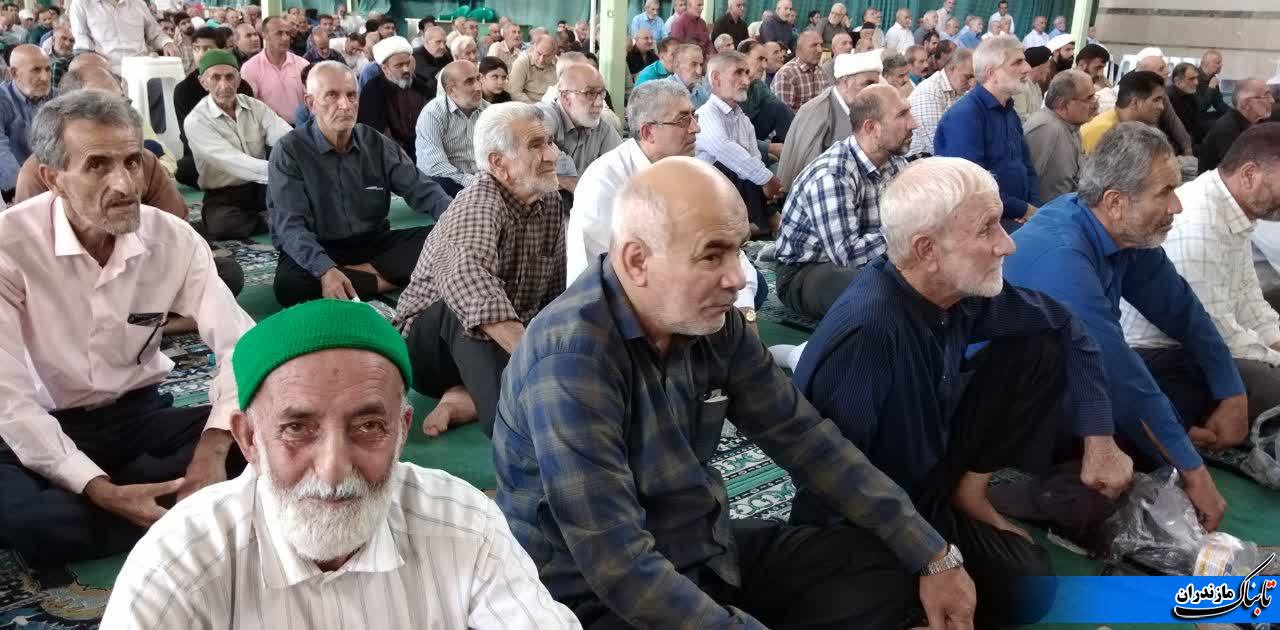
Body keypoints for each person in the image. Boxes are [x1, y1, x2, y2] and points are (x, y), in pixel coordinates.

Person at [496, 154, 979, 629]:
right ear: (637, 261)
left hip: (697, 547)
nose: (740, 277)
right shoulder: (570, 360)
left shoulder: (711, 321)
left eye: (739, 250)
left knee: (881, 562)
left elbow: (807, 440)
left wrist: (932, 553)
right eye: (712, 255)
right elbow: (618, 564)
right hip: (596, 599)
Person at [791, 156, 1132, 626]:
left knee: (1041, 345)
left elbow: (1065, 325)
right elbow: (834, 486)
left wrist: (1100, 437)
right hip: (873, 515)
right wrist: (929, 557)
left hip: (929, 476)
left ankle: (969, 493)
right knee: (1021, 590)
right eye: (987, 229)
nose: (1007, 244)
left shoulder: (956, 293)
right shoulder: (867, 336)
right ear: (927, 249)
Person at [101, 299, 580, 628]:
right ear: (249, 440)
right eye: (297, 428)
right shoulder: (180, 563)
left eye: (368, 426)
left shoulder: (464, 524)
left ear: (402, 431)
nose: (333, 469)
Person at [0, 90, 254, 563]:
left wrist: (213, 449)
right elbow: (9, 403)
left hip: (136, 416)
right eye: (97, 165)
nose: (124, 184)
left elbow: (242, 346)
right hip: (40, 422)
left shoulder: (172, 239)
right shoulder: (10, 246)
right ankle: (160, 502)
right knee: (34, 519)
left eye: (132, 162)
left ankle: (144, 497)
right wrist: (101, 490)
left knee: (264, 441)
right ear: (53, 179)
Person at [1004, 122, 1238, 533]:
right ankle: (1051, 486)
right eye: (1165, 192)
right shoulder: (1063, 255)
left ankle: (1144, 447)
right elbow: (1120, 378)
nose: (1177, 206)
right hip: (1016, 405)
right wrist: (1193, 472)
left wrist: (1231, 391)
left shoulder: (1125, 232)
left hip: (1082, 379)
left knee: (1193, 367)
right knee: (1127, 414)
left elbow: (1182, 310)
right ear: (1115, 202)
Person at [396, 102, 565, 438]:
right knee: (461, 307)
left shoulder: (549, 201)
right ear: (498, 163)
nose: (552, 155)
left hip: (499, 344)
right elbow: (467, 280)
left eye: (549, 142)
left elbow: (554, 299)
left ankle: (467, 398)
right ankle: (512, 422)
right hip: (430, 352)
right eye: (536, 145)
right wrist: (536, 359)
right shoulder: (479, 201)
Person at [1124, 123, 1280, 427]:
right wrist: (1273, 358)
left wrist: (1275, 342)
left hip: (1198, 342)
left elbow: (1249, 302)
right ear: (1250, 174)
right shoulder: (1200, 224)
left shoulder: (1232, 208)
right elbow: (1217, 336)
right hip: (1155, 353)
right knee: (1267, 383)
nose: (1174, 205)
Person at [568, 80, 763, 322]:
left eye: (694, 117)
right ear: (648, 132)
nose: (696, 128)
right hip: (627, 307)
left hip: (685, 280)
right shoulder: (604, 181)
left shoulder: (689, 170)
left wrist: (746, 313)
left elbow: (729, 248)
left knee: (751, 284)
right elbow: (602, 277)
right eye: (683, 120)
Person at [268, 62, 451, 308]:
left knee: (446, 238)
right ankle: (389, 277)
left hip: (373, 243)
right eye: (332, 95)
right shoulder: (289, 150)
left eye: (351, 95)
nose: (345, 105)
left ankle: (358, 280)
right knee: (290, 285)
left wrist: (459, 221)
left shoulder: (375, 142)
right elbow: (289, 226)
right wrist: (324, 269)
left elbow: (423, 189)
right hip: (320, 245)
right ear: (311, 103)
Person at [775, 85, 917, 321]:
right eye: (902, 115)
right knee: (879, 292)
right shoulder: (832, 175)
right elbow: (848, 256)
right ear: (871, 128)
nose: (914, 123)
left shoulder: (895, 163)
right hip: (808, 271)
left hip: (871, 260)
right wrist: (909, 233)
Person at [184, 50, 291, 241]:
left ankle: (274, 216)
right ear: (203, 82)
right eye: (215, 78)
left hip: (262, 186)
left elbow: (287, 138)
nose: (224, 85)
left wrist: (303, 158)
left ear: (239, 79)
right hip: (225, 194)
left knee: (303, 194)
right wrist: (282, 171)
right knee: (221, 224)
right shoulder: (196, 120)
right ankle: (270, 219)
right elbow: (233, 162)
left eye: (229, 77)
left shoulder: (255, 106)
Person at [935, 36, 1039, 227]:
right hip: (983, 224)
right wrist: (1023, 209)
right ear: (991, 73)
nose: (1027, 68)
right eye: (1017, 62)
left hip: (1018, 217)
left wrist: (1031, 207)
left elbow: (1027, 167)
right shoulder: (965, 115)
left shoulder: (1009, 112)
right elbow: (972, 186)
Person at [696, 51, 784, 236]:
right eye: (738, 73)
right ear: (716, 78)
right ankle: (762, 225)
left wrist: (765, 182)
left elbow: (755, 157)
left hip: (739, 194)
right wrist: (766, 180)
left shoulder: (742, 119)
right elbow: (723, 148)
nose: (746, 80)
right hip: (710, 195)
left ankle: (766, 222)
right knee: (732, 165)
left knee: (755, 169)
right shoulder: (706, 114)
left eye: (746, 73)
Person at [777, 50, 882, 190]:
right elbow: (808, 174)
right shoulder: (816, 112)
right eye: (867, 83)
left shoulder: (862, 107)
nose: (873, 90)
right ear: (845, 82)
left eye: (876, 84)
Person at [173, 26, 254, 189]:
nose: (201, 54)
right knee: (184, 168)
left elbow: (250, 126)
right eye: (196, 48)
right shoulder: (183, 90)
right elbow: (189, 135)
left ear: (222, 50)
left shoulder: (241, 85)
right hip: (206, 153)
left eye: (207, 48)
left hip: (241, 149)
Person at [538, 63, 622, 194]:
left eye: (601, 93)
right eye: (590, 93)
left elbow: (623, 167)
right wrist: (573, 183)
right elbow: (534, 146)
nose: (599, 103)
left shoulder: (600, 126)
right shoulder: (546, 115)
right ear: (565, 97)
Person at [416, 60, 488, 197]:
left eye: (478, 79)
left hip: (482, 182)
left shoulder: (489, 111)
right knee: (439, 183)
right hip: (448, 182)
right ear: (451, 90)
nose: (478, 87)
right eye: (469, 82)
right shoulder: (433, 113)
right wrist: (473, 182)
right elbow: (434, 165)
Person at [1025, 69, 1095, 203]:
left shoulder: (1070, 125)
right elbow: (1042, 193)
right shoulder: (1048, 129)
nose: (1094, 104)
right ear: (1062, 104)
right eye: (1088, 98)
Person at [358, 36, 432, 159]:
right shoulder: (373, 90)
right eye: (399, 65)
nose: (406, 69)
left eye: (407, 63)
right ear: (384, 68)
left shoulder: (420, 86)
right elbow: (374, 134)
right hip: (391, 155)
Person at [0, 45, 54, 195]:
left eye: (48, 69)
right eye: (36, 70)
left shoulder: (56, 97)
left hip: (52, 180)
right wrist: (20, 189)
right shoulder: (3, 101)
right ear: (14, 73)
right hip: (15, 185)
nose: (45, 77)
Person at [69, 0, 177, 72]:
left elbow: (155, 34)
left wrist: (167, 43)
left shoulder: (138, 3)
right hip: (105, 73)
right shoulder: (81, 4)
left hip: (141, 69)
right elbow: (83, 45)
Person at [908, 47, 974, 155]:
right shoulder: (929, 91)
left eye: (974, 77)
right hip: (922, 159)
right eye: (968, 77)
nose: (971, 83)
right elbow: (936, 145)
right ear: (952, 69)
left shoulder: (958, 89)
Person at [1198, 79, 1274, 174]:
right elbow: (1239, 171)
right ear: (1246, 104)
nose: (1272, 100)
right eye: (1266, 96)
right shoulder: (1227, 129)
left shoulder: (1258, 121)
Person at [240, 17, 306, 124]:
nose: (285, 38)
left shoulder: (302, 64)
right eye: (279, 33)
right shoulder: (250, 68)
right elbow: (249, 106)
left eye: (287, 33)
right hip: (268, 128)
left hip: (301, 127)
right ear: (264, 35)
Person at [1081, 70, 1165, 153]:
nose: (1161, 107)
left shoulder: (1131, 127)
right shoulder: (1103, 131)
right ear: (1135, 103)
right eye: (1156, 100)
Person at [735, 39, 793, 157]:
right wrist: (769, 148)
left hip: (751, 139)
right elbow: (731, 137)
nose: (764, 66)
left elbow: (781, 110)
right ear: (742, 58)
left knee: (777, 107)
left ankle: (797, 148)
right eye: (760, 59)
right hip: (730, 150)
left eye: (766, 60)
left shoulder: (757, 85)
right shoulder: (728, 87)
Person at [770, 30, 830, 112]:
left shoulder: (821, 72)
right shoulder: (787, 75)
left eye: (821, 45)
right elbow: (783, 115)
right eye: (814, 45)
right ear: (799, 50)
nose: (820, 50)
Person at [509, 34, 557, 104]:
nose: (541, 60)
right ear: (534, 47)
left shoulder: (556, 64)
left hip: (552, 105)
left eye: (547, 56)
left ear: (553, 55)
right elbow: (514, 93)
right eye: (539, 53)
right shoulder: (523, 62)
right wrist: (536, 108)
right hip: (528, 106)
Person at [1011, 45, 1051, 123]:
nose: (1048, 71)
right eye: (1047, 67)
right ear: (1038, 67)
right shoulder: (1020, 87)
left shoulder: (1036, 85)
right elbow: (1020, 118)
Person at [410, 26, 451, 98]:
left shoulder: (446, 55)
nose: (442, 46)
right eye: (438, 42)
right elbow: (429, 83)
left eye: (444, 42)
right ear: (427, 41)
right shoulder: (416, 56)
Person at [1168, 62, 1202, 144]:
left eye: (1196, 78)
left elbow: (1195, 124)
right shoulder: (1167, 98)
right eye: (1191, 79)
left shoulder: (1191, 96)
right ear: (1177, 81)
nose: (1196, 82)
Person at [1196, 49, 1228, 130]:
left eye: (1221, 63)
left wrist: (1236, 114)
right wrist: (1211, 87)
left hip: (1201, 116)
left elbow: (1219, 104)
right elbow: (1200, 107)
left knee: (1230, 119)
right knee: (1222, 125)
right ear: (1206, 63)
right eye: (1218, 63)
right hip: (1190, 119)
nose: (1221, 65)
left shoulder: (1212, 78)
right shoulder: (1194, 78)